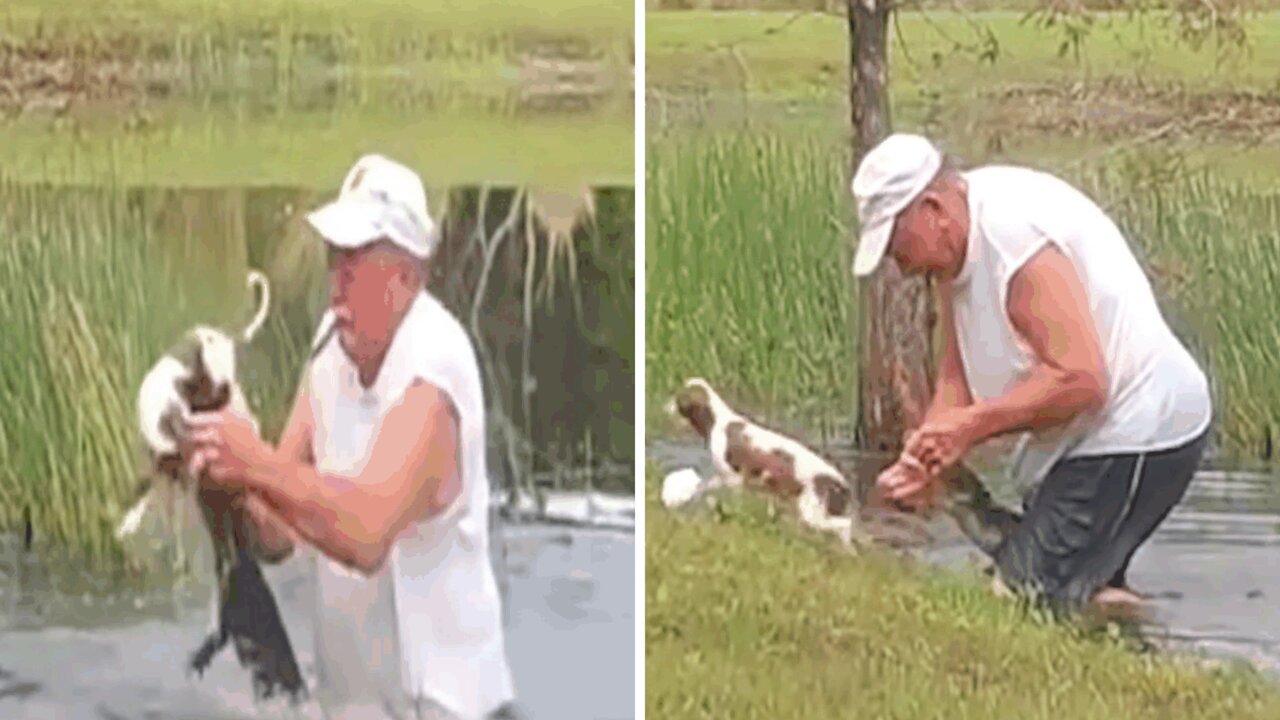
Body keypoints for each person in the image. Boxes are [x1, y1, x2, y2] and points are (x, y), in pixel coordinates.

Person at [183, 153, 517, 720]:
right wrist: (228, 474)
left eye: (357, 260)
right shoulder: (330, 349)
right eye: (335, 256)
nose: (337, 281)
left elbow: (366, 532)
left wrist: (256, 464)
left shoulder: (433, 374)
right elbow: (281, 534)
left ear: (409, 276)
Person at [851, 133, 1213, 618]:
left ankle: (1156, 639)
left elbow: (1084, 379)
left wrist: (973, 428)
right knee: (1063, 581)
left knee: (1022, 599)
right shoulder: (954, 251)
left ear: (933, 208)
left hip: (1142, 426)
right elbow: (955, 382)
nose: (897, 262)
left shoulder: (1014, 244)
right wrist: (927, 454)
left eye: (896, 243)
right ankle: (1119, 620)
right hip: (1091, 437)